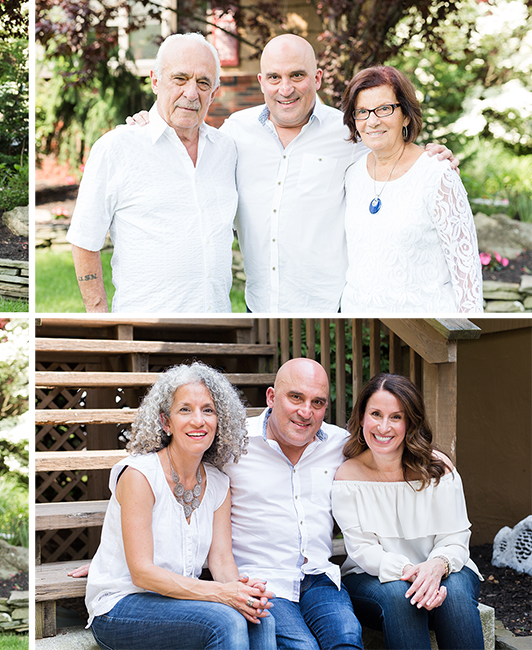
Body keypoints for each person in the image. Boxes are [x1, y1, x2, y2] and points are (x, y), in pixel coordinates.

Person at [127, 34, 456, 312]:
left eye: (297, 75)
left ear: (317, 78)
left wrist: (430, 155)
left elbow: (392, 153)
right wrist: (149, 121)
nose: (285, 89)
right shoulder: (235, 132)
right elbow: (188, 142)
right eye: (274, 77)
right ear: (262, 82)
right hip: (258, 307)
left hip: (329, 308)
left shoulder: (348, 134)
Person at [85, 362, 276, 650]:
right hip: (121, 606)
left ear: (219, 420)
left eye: (208, 410)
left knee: (259, 618)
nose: (198, 420)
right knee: (226, 621)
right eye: (185, 409)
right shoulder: (140, 476)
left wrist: (241, 591)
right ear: (166, 422)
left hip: (182, 601)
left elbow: (221, 561)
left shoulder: (218, 483)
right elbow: (141, 572)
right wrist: (221, 593)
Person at [66, 32, 239, 313]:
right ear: (155, 81)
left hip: (218, 321)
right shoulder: (117, 147)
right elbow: (84, 240)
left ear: (215, 91)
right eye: (180, 79)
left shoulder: (227, 150)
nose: (191, 93)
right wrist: (99, 318)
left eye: (203, 82)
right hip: (144, 323)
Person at [332, 373, 484, 649]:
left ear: (411, 422)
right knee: (399, 594)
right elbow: (364, 550)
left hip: (444, 568)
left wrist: (437, 566)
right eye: (375, 414)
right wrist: (410, 572)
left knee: (455, 593)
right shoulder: (348, 477)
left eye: (396, 417)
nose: (383, 427)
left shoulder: (438, 469)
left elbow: (455, 537)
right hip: (372, 577)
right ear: (362, 417)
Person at [222, 358, 363, 650]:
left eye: (317, 402)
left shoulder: (340, 444)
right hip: (261, 581)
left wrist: (436, 459)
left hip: (320, 578)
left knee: (347, 638)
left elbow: (391, 451)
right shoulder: (232, 444)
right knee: (302, 647)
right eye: (295, 397)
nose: (306, 412)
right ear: (271, 397)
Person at [339, 66, 483, 313]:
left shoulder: (437, 173)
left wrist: (470, 329)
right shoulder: (352, 174)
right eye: (362, 111)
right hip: (360, 321)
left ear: (405, 115)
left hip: (425, 325)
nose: (372, 121)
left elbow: (466, 268)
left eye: (384, 109)